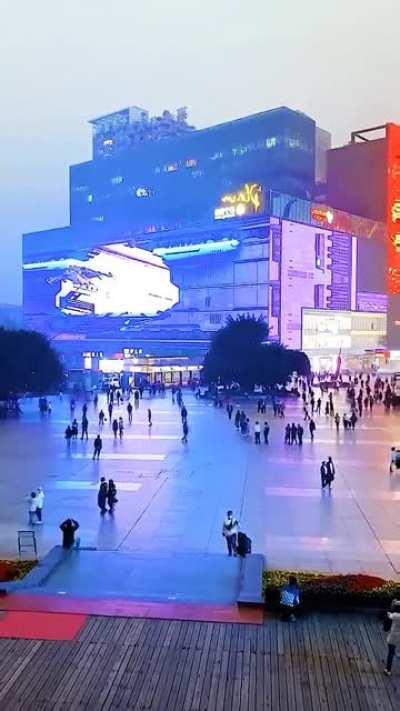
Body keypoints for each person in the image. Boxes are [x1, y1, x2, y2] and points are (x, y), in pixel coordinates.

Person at [384, 599, 400, 675]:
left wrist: (391, 606)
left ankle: (388, 670)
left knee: (390, 653)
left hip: (394, 636)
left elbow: (389, 615)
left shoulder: (395, 616)